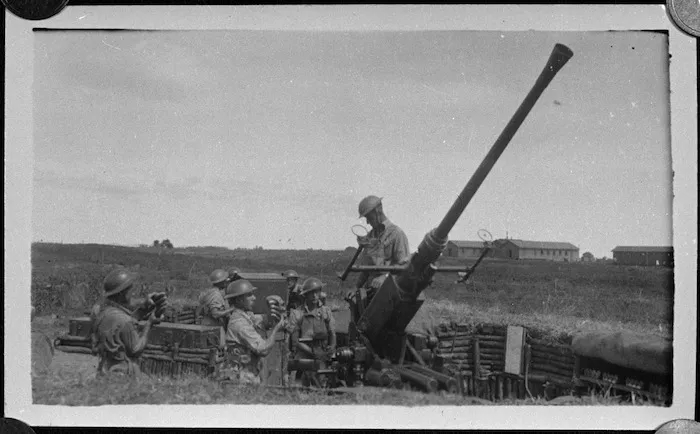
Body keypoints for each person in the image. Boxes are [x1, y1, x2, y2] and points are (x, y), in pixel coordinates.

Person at [91, 268, 168, 377]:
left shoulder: (101, 313)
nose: (133, 294)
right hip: (123, 372)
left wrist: (142, 310)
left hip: (104, 369)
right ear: (122, 294)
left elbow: (120, 326)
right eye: (130, 291)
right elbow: (135, 350)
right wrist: (149, 324)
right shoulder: (124, 320)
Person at [347, 195, 411, 320]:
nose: (367, 222)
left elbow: (404, 267)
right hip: (368, 296)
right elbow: (366, 269)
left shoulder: (397, 234)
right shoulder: (370, 236)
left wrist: (385, 277)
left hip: (388, 296)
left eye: (368, 217)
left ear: (377, 211)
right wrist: (356, 287)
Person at [221, 279, 286, 385]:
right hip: (242, 378)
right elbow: (263, 349)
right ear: (239, 300)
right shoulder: (240, 324)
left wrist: (272, 315)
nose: (254, 298)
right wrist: (276, 329)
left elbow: (260, 320)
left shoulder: (244, 316)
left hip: (244, 373)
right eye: (249, 295)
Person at [287, 277, 336, 387]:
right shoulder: (297, 313)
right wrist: (312, 352)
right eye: (311, 293)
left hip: (322, 352)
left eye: (317, 292)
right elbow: (295, 341)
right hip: (304, 352)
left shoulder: (325, 311)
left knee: (324, 380)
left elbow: (332, 332)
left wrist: (332, 347)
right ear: (305, 295)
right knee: (300, 381)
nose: (315, 296)